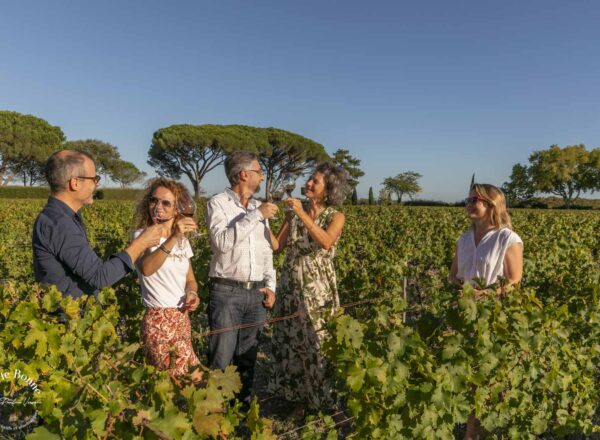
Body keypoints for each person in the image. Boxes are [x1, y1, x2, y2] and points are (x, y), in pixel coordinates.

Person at [268, 162, 349, 410]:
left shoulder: (335, 216)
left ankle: (323, 403)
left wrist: (301, 214)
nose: (309, 183)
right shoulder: (294, 212)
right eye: (309, 179)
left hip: (318, 289)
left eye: (315, 181)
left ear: (328, 189)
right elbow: (276, 246)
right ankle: (299, 400)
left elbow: (325, 241)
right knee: (292, 344)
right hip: (291, 286)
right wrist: (259, 220)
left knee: (318, 343)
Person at [448, 183, 523, 440]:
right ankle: (471, 435)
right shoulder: (464, 239)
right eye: (467, 200)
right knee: (470, 381)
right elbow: (453, 275)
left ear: (492, 205)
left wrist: (486, 294)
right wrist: (462, 289)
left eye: (475, 200)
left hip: (494, 318)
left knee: (491, 382)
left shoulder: (507, 238)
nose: (469, 204)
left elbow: (514, 281)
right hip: (466, 316)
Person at [32, 150, 162, 298]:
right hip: (68, 318)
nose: (97, 184)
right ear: (75, 183)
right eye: (94, 179)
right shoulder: (60, 223)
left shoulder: (63, 217)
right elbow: (100, 277)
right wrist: (141, 243)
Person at [206, 151, 278, 406]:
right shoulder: (218, 203)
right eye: (259, 171)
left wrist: (270, 285)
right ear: (244, 174)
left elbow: (267, 250)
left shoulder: (260, 208)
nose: (262, 176)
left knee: (247, 360)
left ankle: (240, 419)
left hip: (255, 294)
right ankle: (215, 420)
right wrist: (256, 216)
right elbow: (222, 243)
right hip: (227, 293)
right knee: (221, 361)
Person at [133, 178, 201, 378]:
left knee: (172, 388)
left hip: (181, 319)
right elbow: (146, 268)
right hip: (158, 322)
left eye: (165, 203)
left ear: (177, 210)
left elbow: (190, 279)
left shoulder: (182, 241)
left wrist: (192, 293)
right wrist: (172, 238)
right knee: (193, 383)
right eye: (153, 201)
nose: (157, 208)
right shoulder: (141, 236)